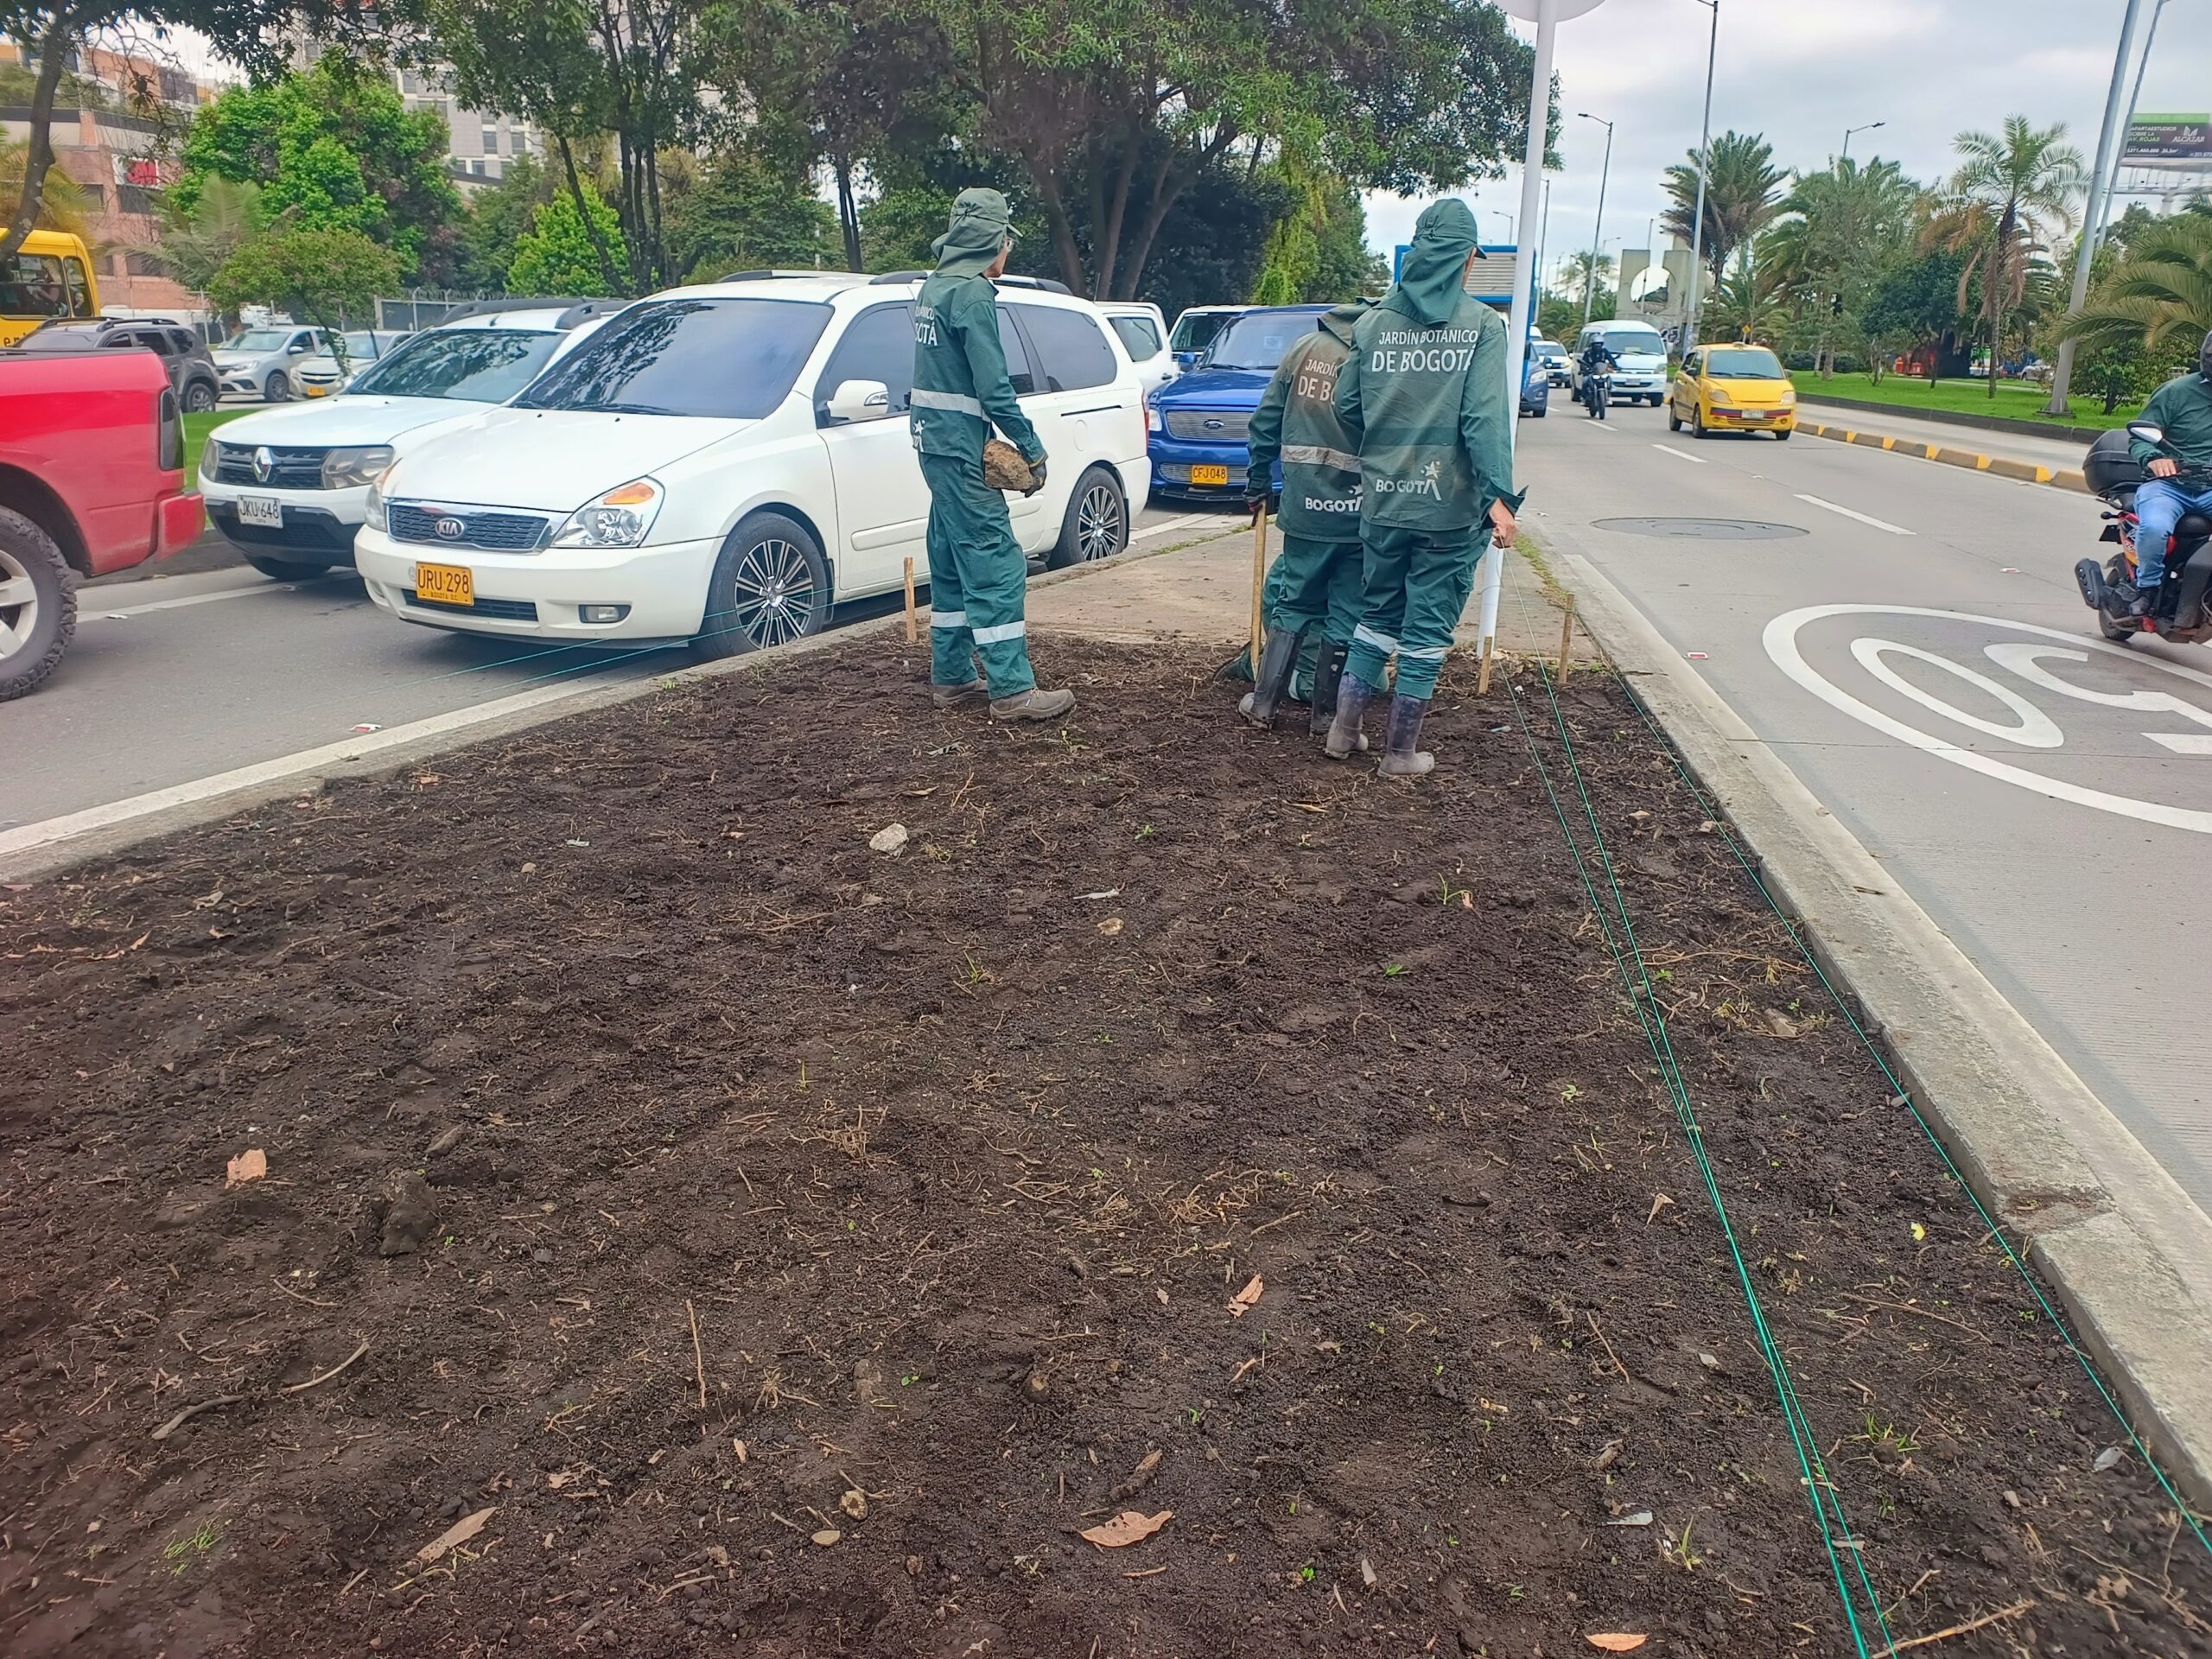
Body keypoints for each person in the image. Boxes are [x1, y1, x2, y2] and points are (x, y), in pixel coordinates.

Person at [1325, 199, 1522, 776]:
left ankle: (1343, 733)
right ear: (1465, 259)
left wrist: (1389, 446)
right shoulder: (1484, 327)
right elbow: (1484, 420)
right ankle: (1400, 753)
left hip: (1384, 500)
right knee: (1428, 624)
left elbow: (1347, 405)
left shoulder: (1371, 324)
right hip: (1448, 508)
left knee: (1377, 611)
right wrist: (1499, 500)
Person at [911, 188, 1073, 720]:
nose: (1009, 251)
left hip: (934, 445)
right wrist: (1031, 448)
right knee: (996, 563)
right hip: (962, 450)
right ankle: (1012, 690)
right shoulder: (973, 296)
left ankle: (953, 676)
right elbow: (994, 387)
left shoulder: (934, 288)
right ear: (990, 240)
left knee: (952, 560)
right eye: (1006, 239)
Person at [1239, 299, 1370, 737]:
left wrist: (1258, 481)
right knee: (1346, 609)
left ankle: (1263, 704)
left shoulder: (1304, 350)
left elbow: (1265, 422)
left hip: (1306, 506)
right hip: (1359, 513)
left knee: (1294, 600)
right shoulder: (1381, 354)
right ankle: (1326, 718)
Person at [2118, 330, 2212, 617]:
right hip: (2169, 485)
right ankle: (2147, 590)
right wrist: (2155, 459)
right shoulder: (2176, 392)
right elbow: (2141, 436)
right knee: (2156, 527)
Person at [1577, 334, 1618, 415]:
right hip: (1591, 372)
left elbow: (1611, 359)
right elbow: (1583, 362)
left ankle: (1608, 396)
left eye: (1599, 344)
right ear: (1592, 345)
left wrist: (1614, 366)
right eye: (1596, 344)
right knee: (1585, 381)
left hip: (1601, 372)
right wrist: (1583, 369)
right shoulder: (1588, 352)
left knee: (1610, 379)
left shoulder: (1604, 351)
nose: (1598, 346)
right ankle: (1584, 398)